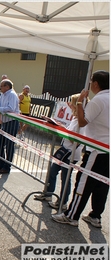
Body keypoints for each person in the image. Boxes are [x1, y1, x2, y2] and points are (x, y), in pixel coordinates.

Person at [52, 70, 109, 228]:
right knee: (102, 185)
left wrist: (79, 102)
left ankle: (72, 215)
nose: (90, 84)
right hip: (107, 149)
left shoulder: (98, 100)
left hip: (96, 149)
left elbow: (83, 122)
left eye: (91, 82)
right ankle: (95, 215)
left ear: (96, 84)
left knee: (83, 183)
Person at [34, 93, 86, 210]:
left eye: (72, 103)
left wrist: (62, 129)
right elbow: (70, 133)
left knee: (65, 179)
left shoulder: (81, 122)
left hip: (70, 154)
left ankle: (62, 202)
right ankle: (48, 194)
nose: (69, 105)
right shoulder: (75, 118)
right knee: (52, 172)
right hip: (64, 150)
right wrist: (59, 125)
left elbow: (75, 141)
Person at [0, 79, 20, 174]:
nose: (0, 88)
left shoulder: (12, 95)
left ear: (7, 87)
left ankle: (7, 167)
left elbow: (11, 108)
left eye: (1, 86)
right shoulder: (3, 95)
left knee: (9, 145)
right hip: (5, 122)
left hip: (12, 122)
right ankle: (1, 164)